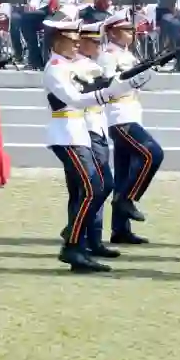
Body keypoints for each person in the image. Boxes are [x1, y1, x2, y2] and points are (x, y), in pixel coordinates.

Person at [42, 16, 139, 272]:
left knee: (98, 186)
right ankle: (73, 245)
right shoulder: (55, 68)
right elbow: (74, 99)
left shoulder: (76, 65)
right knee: (93, 186)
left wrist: (121, 84)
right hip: (66, 134)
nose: (77, 46)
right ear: (57, 41)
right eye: (71, 42)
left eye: (77, 42)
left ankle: (78, 241)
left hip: (81, 133)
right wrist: (109, 91)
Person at [98, 12, 164, 245]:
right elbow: (111, 85)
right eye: (126, 29)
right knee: (153, 153)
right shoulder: (106, 56)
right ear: (113, 32)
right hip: (118, 116)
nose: (131, 33)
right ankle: (127, 198)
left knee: (124, 172)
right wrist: (137, 77)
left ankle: (120, 230)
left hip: (131, 112)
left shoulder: (128, 55)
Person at [68, 19, 119, 259]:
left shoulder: (93, 65)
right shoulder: (77, 67)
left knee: (93, 187)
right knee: (90, 187)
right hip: (84, 129)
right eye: (93, 42)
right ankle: (78, 236)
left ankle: (92, 238)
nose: (98, 47)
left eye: (100, 42)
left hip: (97, 128)